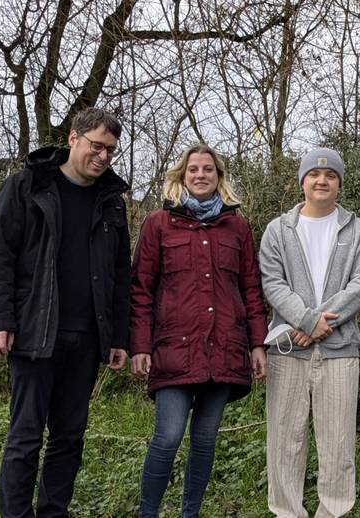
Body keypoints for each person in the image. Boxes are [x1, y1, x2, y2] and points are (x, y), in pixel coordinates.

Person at [0, 107, 131, 518]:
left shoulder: (111, 203)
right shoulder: (26, 187)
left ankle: (53, 512)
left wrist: (119, 337)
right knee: (26, 436)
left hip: (86, 338)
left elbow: (120, 274)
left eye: (111, 150)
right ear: (73, 138)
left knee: (69, 436)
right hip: (34, 333)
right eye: (96, 146)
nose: (102, 156)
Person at [128, 144, 268, 518]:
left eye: (209, 169)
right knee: (169, 436)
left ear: (219, 177)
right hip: (174, 349)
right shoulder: (159, 223)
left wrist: (258, 343)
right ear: (182, 175)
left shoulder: (236, 226)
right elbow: (141, 288)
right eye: (194, 170)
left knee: (204, 440)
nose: (201, 175)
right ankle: (148, 513)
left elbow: (250, 288)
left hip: (224, 349)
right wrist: (140, 345)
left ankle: (190, 513)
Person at [259, 147, 360, 518]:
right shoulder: (278, 230)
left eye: (330, 176)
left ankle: (334, 512)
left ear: (339, 183)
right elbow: (272, 283)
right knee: (284, 442)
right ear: (303, 181)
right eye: (314, 174)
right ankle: (286, 512)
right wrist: (307, 321)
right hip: (287, 350)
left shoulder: (358, 230)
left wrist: (319, 324)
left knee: (338, 443)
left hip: (340, 351)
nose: (321, 180)